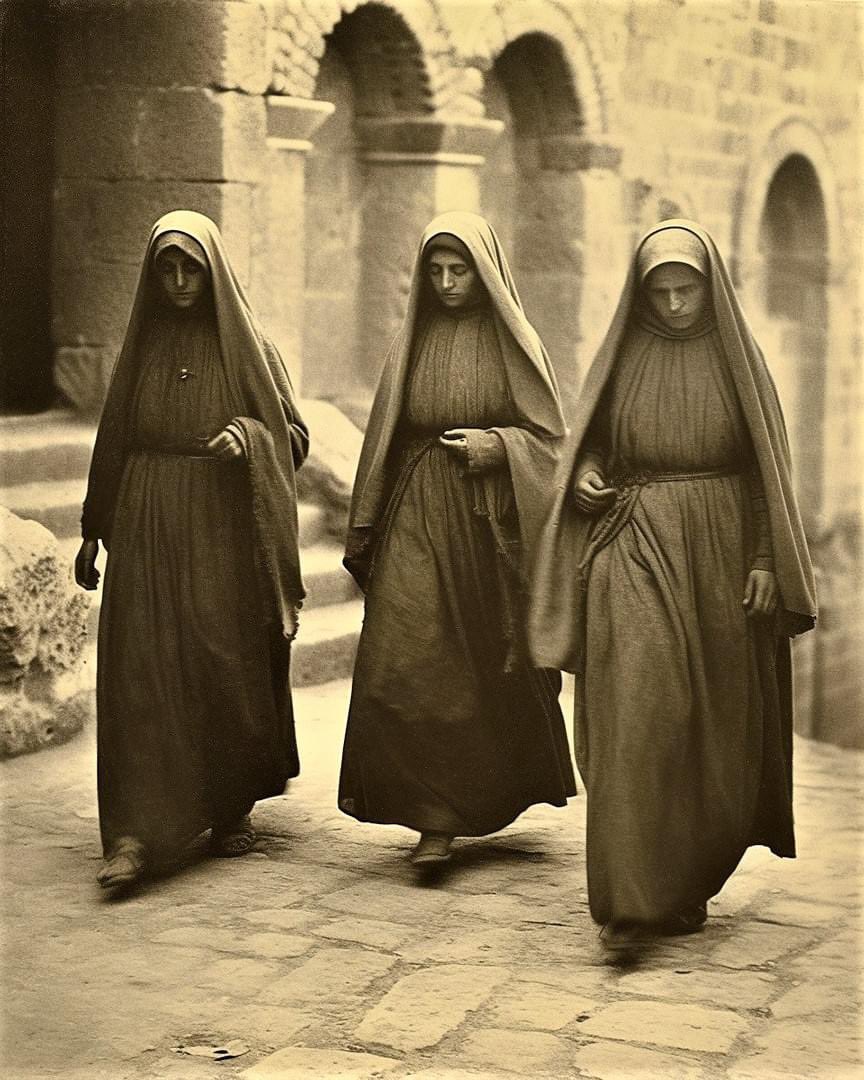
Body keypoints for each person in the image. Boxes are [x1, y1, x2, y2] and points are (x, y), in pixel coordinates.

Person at [529, 219, 816, 949]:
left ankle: (683, 881)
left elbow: (764, 473)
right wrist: (590, 472)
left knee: (708, 726)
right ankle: (629, 903)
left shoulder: (739, 365)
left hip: (720, 556)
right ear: (642, 292)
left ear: (710, 289)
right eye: (662, 291)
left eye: (688, 290)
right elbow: (591, 437)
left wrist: (761, 559)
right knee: (638, 709)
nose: (677, 304)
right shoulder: (623, 356)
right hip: (633, 539)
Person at [75, 210, 308, 889]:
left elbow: (291, 437)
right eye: (167, 269)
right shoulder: (141, 346)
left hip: (221, 526)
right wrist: (94, 527)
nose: (178, 281)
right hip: (147, 517)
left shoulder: (249, 347)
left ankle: (228, 803)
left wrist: (250, 435)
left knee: (219, 659)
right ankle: (132, 832)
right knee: (139, 668)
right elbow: (114, 434)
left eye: (191, 269)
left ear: (213, 274)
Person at [338, 212, 577, 867]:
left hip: (487, 525)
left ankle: (459, 807)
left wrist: (496, 446)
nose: (446, 282)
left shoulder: (517, 342)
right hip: (417, 510)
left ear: (484, 272)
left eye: (459, 269)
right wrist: (373, 521)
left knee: (476, 668)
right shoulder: (411, 341)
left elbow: (552, 446)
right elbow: (388, 434)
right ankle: (428, 812)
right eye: (436, 270)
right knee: (404, 655)